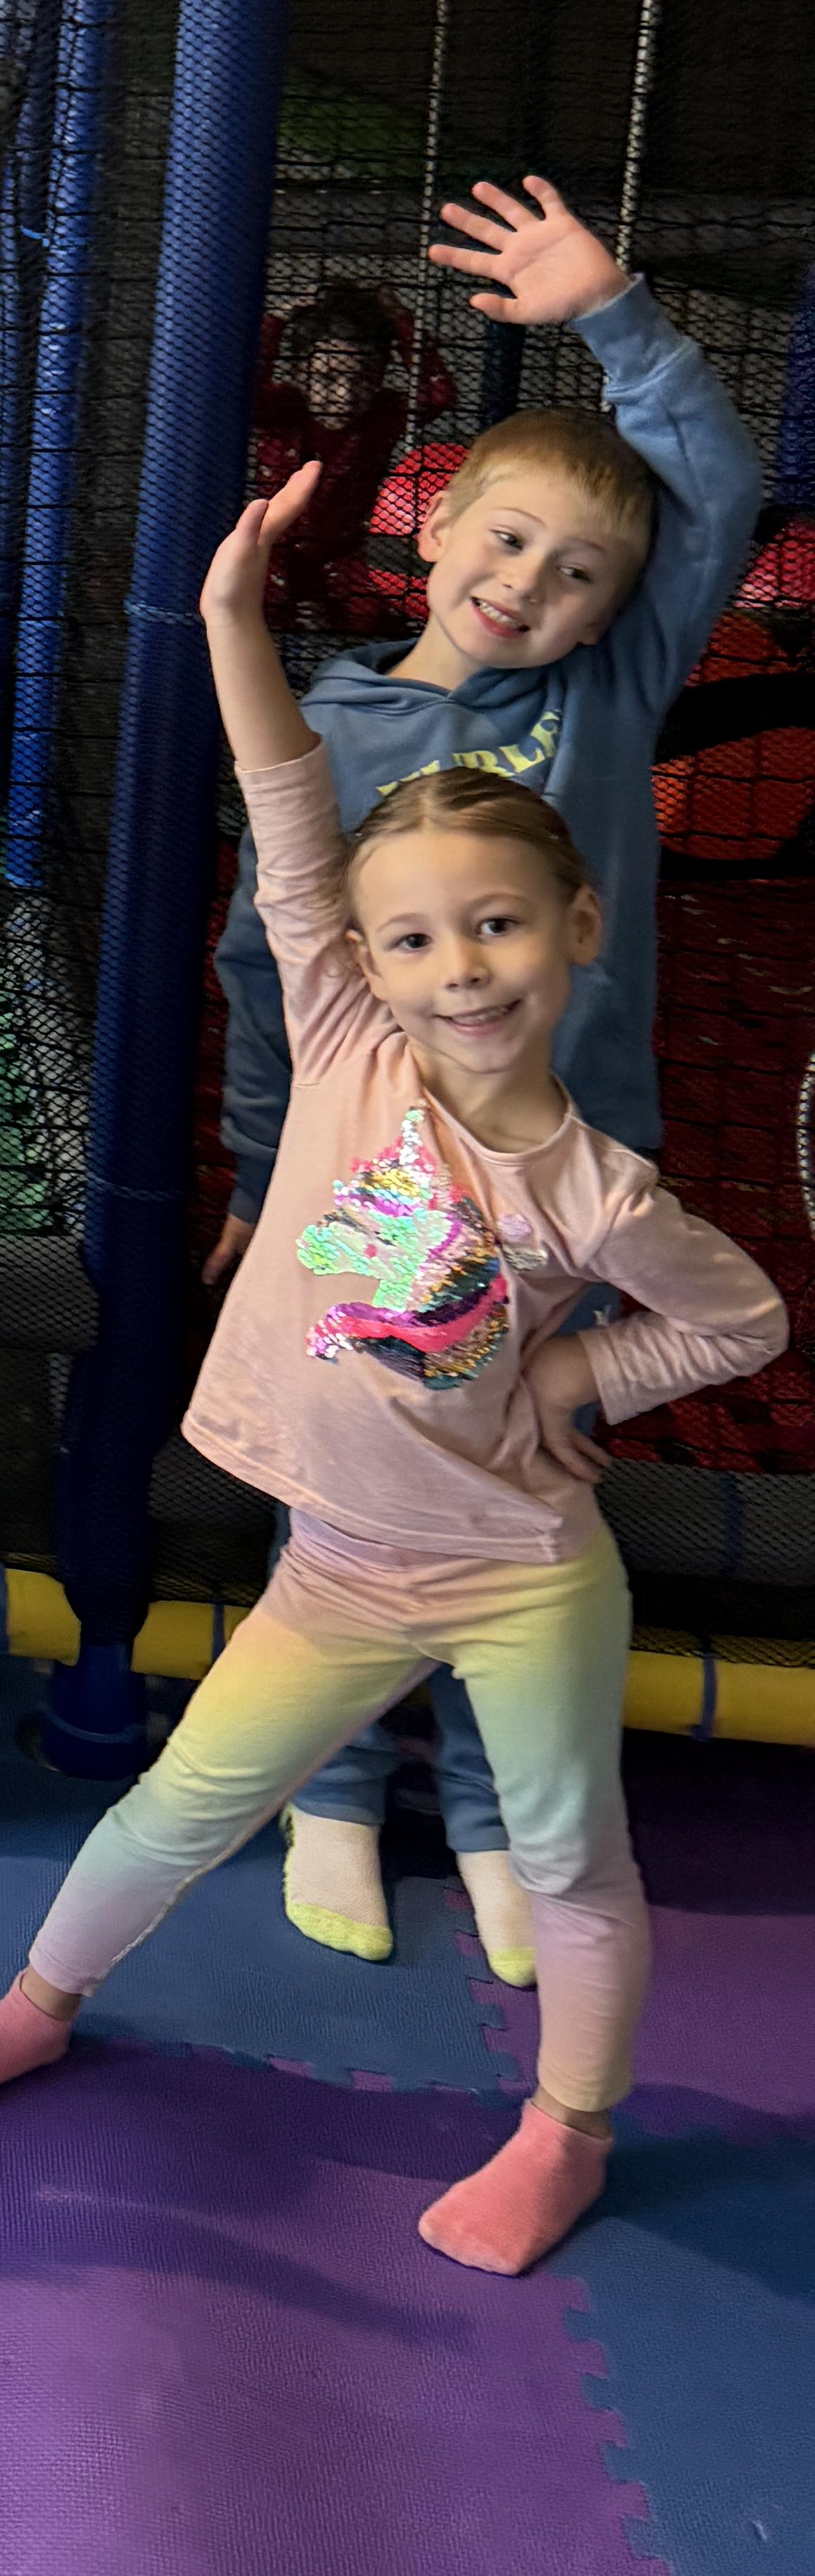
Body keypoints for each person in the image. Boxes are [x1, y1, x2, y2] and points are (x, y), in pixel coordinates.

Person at [0, 462, 785, 2277]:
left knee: (571, 1863)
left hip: (519, 1573)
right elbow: (293, 819)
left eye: (501, 926)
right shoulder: (349, 1039)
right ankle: (34, 2007)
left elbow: (744, 1318)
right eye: (419, 939)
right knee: (173, 1806)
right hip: (340, 1571)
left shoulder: (596, 1187)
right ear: (366, 959)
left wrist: (581, 1381)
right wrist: (230, 617)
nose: (463, 972)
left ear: (578, 929)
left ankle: (566, 2131)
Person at [211, 178, 763, 1980]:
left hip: (572, 1180)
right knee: (361, 1481)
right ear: (439, 528)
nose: (529, 586)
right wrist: (256, 1175)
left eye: (577, 572)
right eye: (508, 543)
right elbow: (268, 965)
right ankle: (333, 1788)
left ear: (616, 608)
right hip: (385, 1188)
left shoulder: (606, 697)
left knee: (525, 1478)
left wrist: (615, 314)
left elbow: (721, 493)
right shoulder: (337, 726)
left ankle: (490, 1809)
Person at [250, 279, 453, 638]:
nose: (345, 395)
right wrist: (277, 320)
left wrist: (400, 319)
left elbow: (438, 394)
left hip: (342, 556)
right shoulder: (283, 408)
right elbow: (240, 393)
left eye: (362, 379)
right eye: (328, 378)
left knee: (374, 623)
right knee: (258, 616)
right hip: (272, 552)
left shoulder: (382, 415)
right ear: (299, 374)